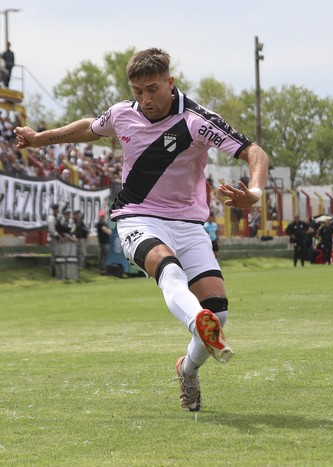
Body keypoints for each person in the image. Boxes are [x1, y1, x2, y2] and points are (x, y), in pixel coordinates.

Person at [14, 47, 270, 412]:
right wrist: (40, 138)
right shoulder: (122, 114)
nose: (145, 100)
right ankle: (198, 321)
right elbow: (90, 127)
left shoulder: (197, 121)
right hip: (137, 216)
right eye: (138, 91)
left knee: (220, 311)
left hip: (187, 222)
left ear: (170, 82)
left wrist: (255, 193)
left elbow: (254, 152)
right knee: (169, 269)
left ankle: (188, 369)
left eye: (152, 89)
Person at [95, 209, 112, 274]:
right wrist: (108, 230)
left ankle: (103, 269)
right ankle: (102, 270)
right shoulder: (100, 223)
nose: (102, 217)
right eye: (101, 216)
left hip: (105, 241)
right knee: (102, 256)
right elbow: (108, 232)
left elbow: (109, 231)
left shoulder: (104, 223)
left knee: (104, 256)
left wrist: (108, 230)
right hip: (102, 242)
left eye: (103, 216)